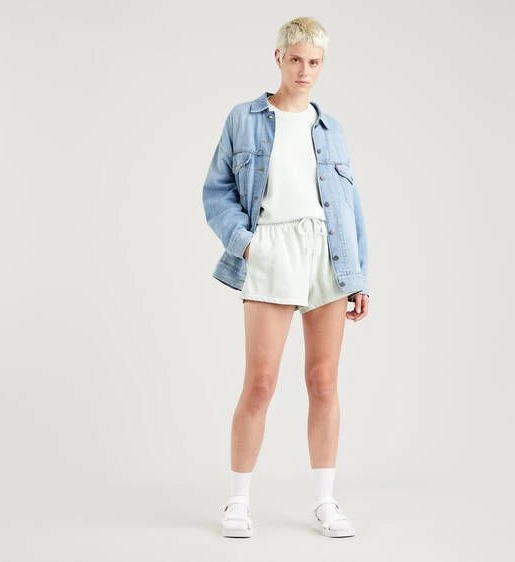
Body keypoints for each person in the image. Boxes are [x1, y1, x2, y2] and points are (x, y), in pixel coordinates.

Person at [202, 17, 370, 539]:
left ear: (323, 65)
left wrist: (358, 275)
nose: (304, 71)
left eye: (314, 62)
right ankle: (237, 502)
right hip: (272, 249)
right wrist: (248, 243)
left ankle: (325, 502)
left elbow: (350, 207)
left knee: (323, 381)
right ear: (278, 58)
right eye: (295, 59)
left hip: (327, 254)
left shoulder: (330, 128)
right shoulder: (245, 118)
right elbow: (216, 191)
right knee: (260, 382)